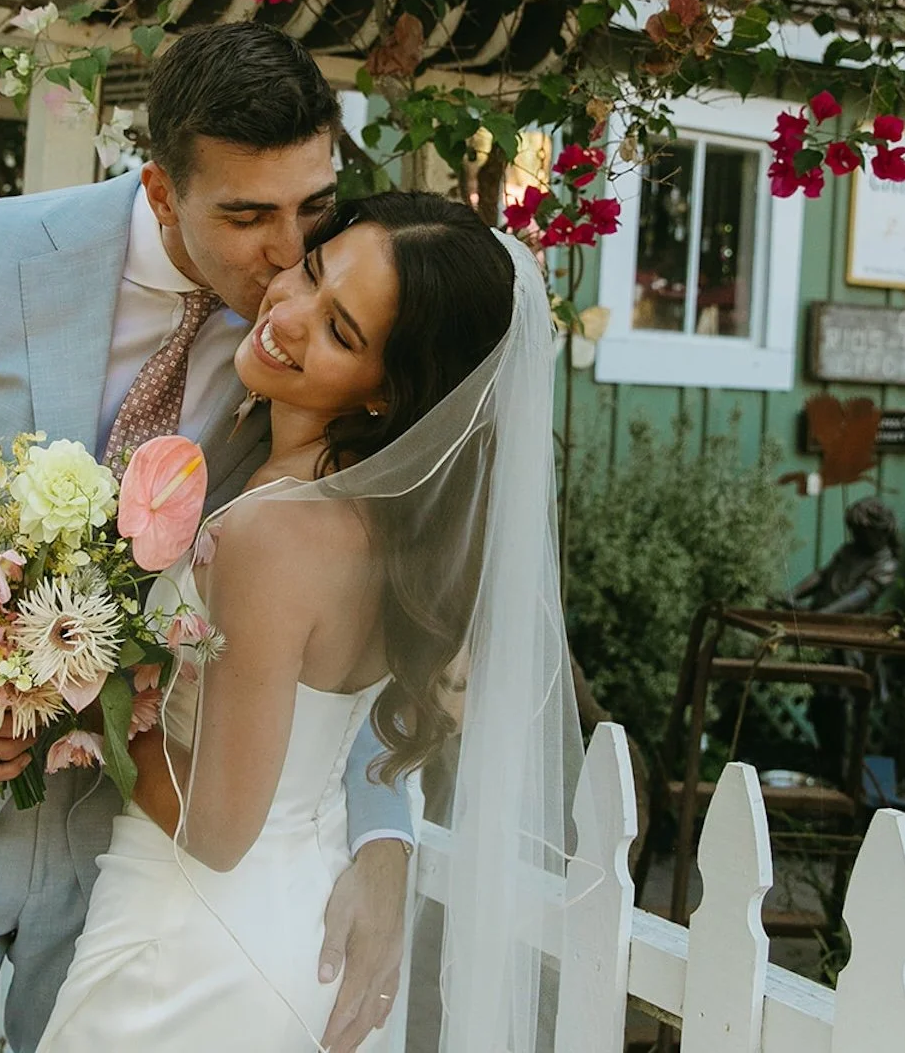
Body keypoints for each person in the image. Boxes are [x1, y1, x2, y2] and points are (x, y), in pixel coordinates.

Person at [0, 23, 415, 1053]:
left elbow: (358, 619)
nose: (287, 251)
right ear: (162, 192)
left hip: (127, 856)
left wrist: (385, 834)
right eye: (248, 215)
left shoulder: (309, 354)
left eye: (312, 208)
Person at [38, 193, 581, 1052]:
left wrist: (71, 693)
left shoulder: (274, 535)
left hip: (193, 952)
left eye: (340, 332)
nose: (286, 316)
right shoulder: (366, 526)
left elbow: (217, 831)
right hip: (294, 918)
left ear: (385, 395)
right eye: (313, 272)